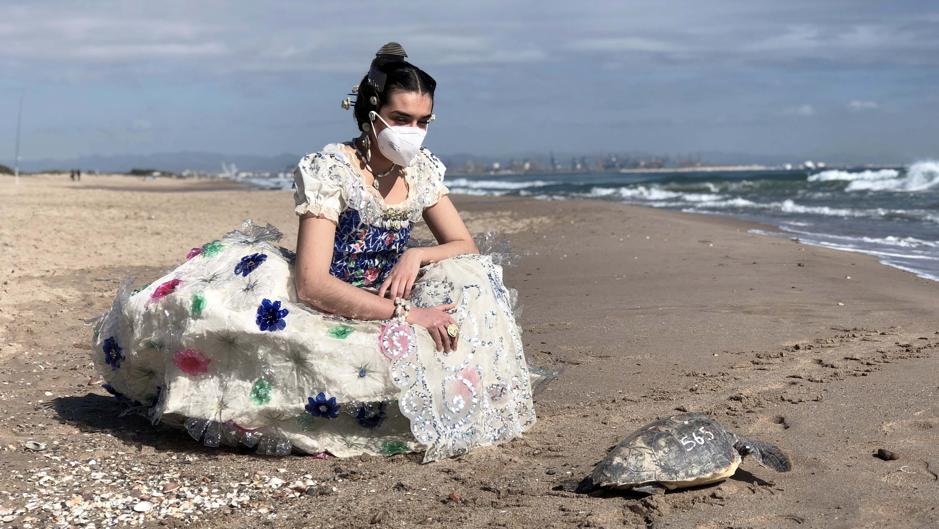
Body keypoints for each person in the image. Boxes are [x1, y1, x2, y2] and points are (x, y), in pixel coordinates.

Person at [90, 42, 537, 462]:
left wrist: (416, 255)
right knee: (339, 356)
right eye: (401, 118)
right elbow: (313, 284)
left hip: (389, 288)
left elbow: (464, 245)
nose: (413, 133)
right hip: (328, 299)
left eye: (423, 122)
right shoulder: (331, 170)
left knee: (472, 281)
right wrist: (404, 314)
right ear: (371, 113)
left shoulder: (421, 171)